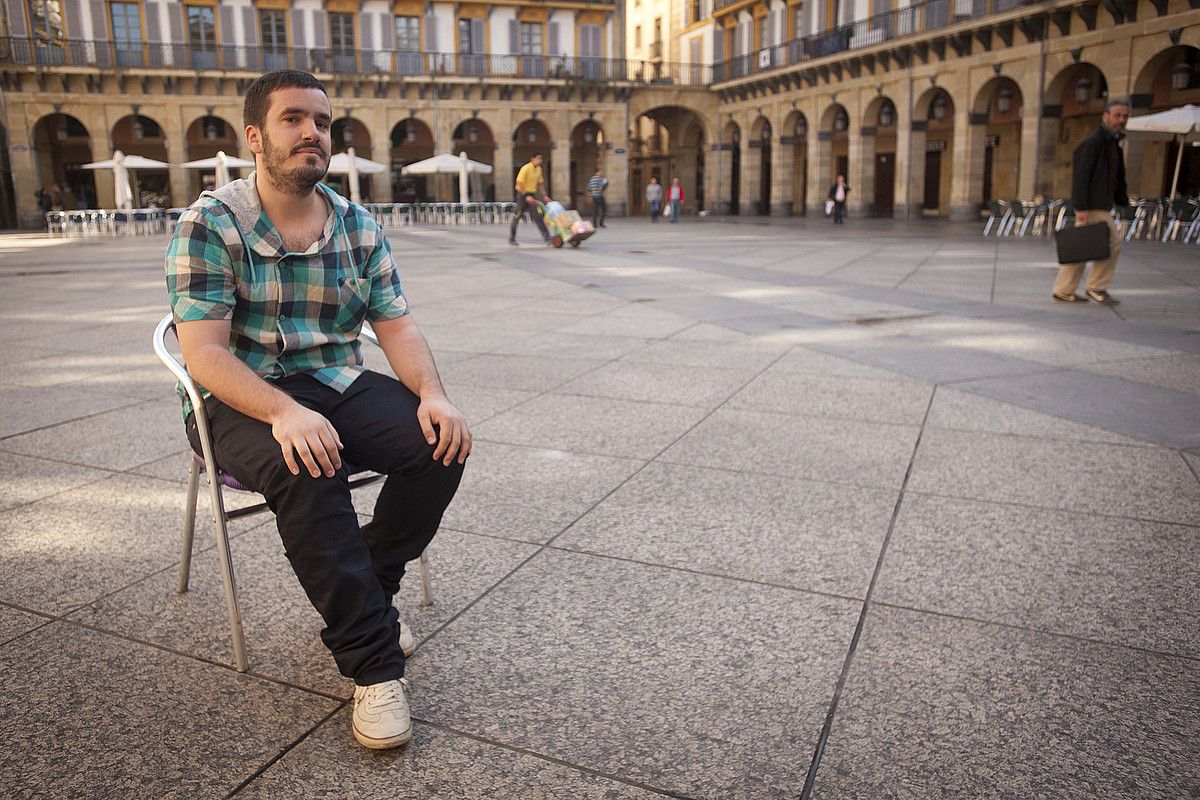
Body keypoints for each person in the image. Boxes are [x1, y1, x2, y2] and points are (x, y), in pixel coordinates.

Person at [165, 70, 470, 751]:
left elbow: (397, 325)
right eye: (294, 119)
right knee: (307, 464)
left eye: (323, 123)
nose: (312, 133)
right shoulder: (210, 223)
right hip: (235, 394)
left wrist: (435, 395)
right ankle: (372, 663)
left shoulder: (357, 224)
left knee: (440, 443)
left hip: (332, 379)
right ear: (255, 136)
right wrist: (280, 412)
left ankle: (368, 586)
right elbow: (206, 354)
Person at [1052, 98, 1129, 305]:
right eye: (1117, 115)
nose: (1121, 120)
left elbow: (1117, 177)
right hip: (1093, 204)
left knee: (1081, 246)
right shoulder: (1094, 142)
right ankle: (1096, 287)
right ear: (1106, 116)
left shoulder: (1113, 144)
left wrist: (1121, 199)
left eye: (1124, 116)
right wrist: (1081, 206)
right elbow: (1081, 176)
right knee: (1113, 242)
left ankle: (1063, 289)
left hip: (1100, 203)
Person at [509, 152, 551, 246]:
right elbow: (519, 183)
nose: (540, 161)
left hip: (532, 194)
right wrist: (525, 196)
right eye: (538, 158)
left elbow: (540, 184)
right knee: (517, 216)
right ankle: (512, 238)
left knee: (538, 215)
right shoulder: (525, 168)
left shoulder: (539, 169)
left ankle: (547, 238)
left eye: (541, 159)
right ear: (532, 159)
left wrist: (544, 195)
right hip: (522, 194)